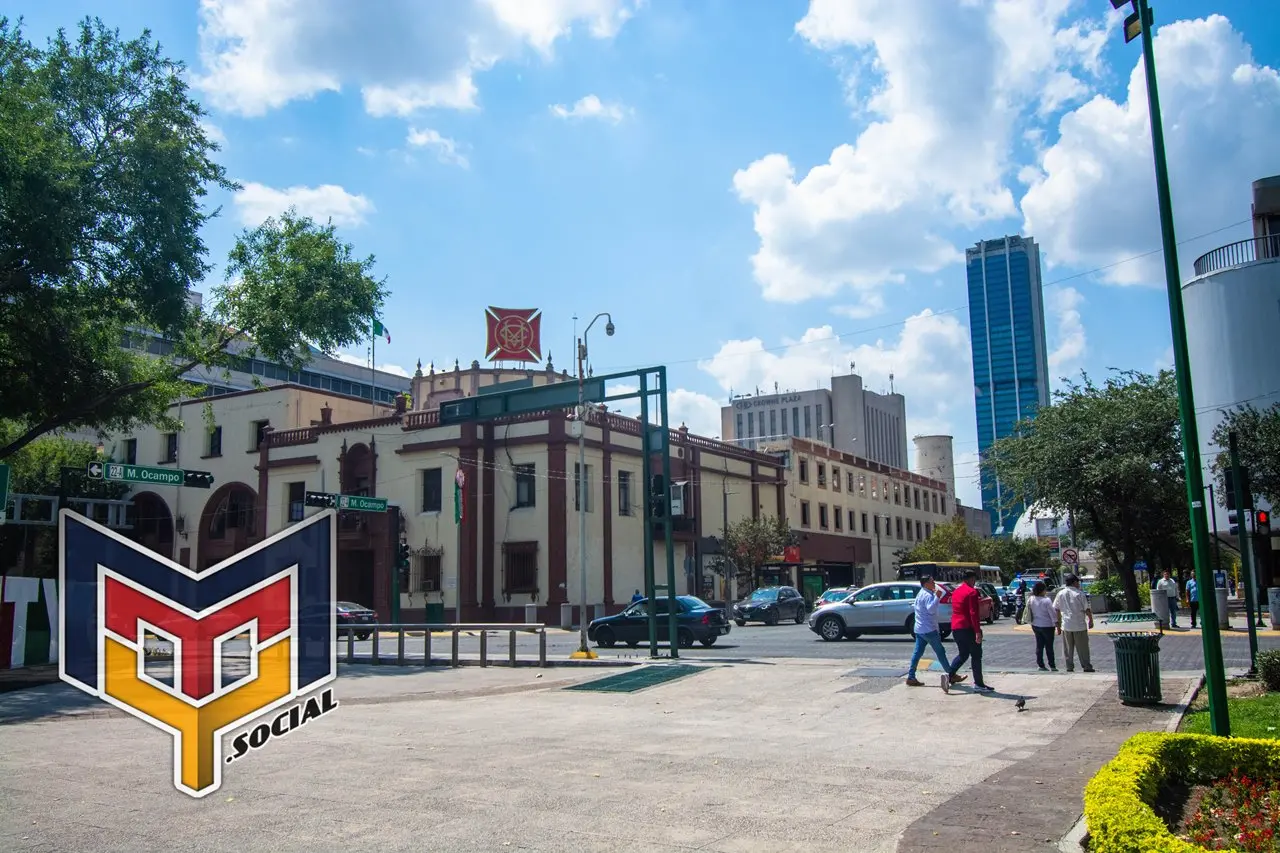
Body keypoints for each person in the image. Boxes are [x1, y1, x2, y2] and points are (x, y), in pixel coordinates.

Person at [943, 569, 994, 693]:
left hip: (956, 627)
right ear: (972, 579)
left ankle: (948, 674)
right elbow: (973, 613)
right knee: (976, 655)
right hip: (968, 627)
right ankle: (979, 683)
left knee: (963, 654)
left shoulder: (956, 592)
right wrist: (977, 631)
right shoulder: (972, 592)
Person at [906, 575, 953, 687]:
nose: (934, 583)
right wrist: (937, 597)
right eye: (932, 581)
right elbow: (931, 610)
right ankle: (951, 674)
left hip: (920, 629)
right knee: (940, 652)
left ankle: (911, 676)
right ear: (926, 583)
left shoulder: (921, 593)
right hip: (928, 629)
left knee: (917, 653)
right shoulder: (927, 595)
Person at [1053, 574, 1095, 672]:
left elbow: (1057, 610)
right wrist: (1090, 620)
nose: (1079, 584)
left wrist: (1058, 625)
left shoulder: (1060, 593)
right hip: (1079, 625)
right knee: (1083, 648)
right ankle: (1086, 666)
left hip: (1066, 625)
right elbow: (1086, 609)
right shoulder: (1080, 594)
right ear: (1074, 582)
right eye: (1078, 582)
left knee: (1068, 649)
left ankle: (1069, 666)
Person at [1027, 581, 1057, 671]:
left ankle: (1040, 665)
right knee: (1049, 646)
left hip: (1035, 624)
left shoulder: (1031, 599)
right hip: (1047, 625)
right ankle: (1052, 665)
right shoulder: (1046, 600)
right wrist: (1056, 623)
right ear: (1042, 590)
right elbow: (1052, 614)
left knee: (1039, 646)